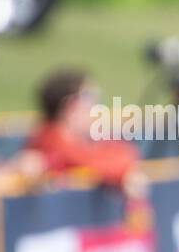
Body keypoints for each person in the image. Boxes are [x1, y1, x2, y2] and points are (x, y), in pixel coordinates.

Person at [26, 69, 148, 198]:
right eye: (90, 97)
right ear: (70, 106)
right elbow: (89, 162)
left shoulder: (81, 141)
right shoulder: (50, 140)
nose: (96, 107)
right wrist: (123, 172)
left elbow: (124, 153)